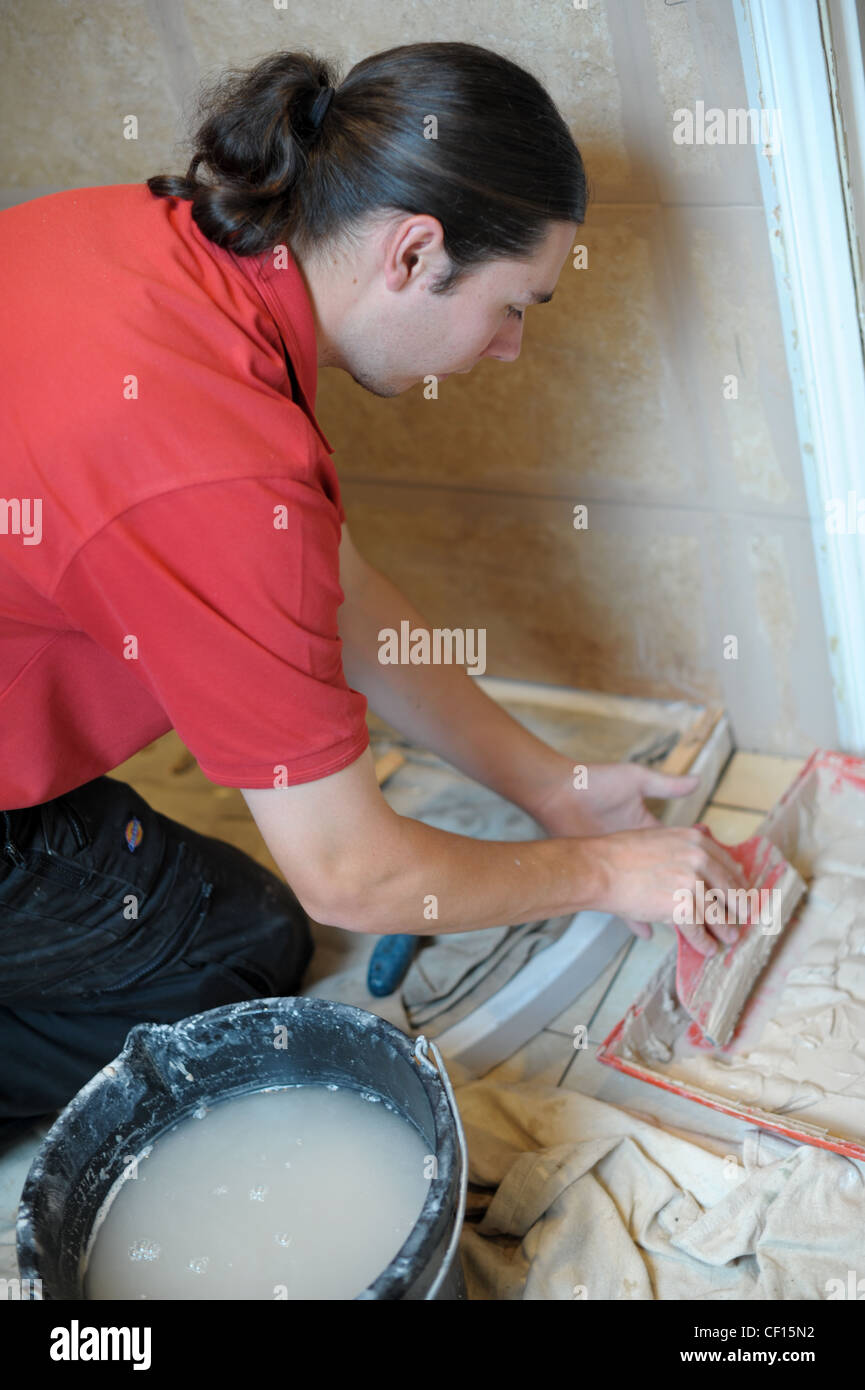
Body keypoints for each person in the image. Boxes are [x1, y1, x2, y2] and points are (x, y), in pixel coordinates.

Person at [0, 41, 748, 1127]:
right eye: (514, 305)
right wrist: (606, 871)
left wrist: (548, 785)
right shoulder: (211, 457)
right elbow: (349, 873)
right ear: (412, 253)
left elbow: (321, 582)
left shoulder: (170, 237)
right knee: (239, 951)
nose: (509, 351)